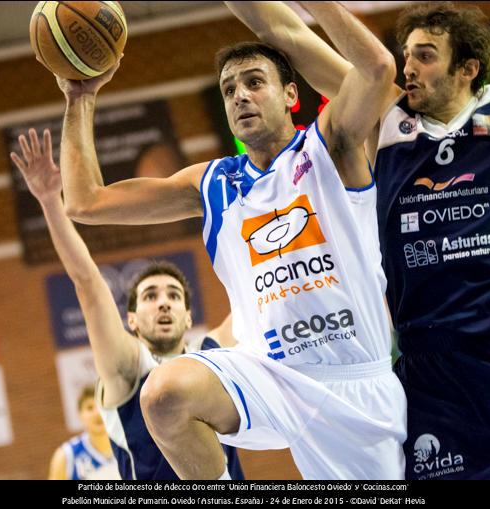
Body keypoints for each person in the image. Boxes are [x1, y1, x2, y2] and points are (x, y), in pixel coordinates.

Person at [230, 0, 490, 479]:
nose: (408, 67)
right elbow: (285, 31)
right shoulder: (385, 119)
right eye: (405, 55)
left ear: (467, 68)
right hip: (431, 367)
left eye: (425, 55)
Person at [55, 0, 406, 480]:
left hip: (353, 381)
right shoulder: (213, 183)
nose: (239, 95)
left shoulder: (331, 145)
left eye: (254, 83)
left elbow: (379, 69)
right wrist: (80, 97)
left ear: (290, 95)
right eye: (229, 89)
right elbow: (85, 203)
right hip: (271, 377)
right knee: (162, 393)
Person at [10, 129, 244, 480]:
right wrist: (49, 201)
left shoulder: (213, 353)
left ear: (188, 316)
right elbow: (87, 282)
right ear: (132, 320)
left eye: (173, 296)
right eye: (151, 296)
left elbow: (257, 292)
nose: (163, 303)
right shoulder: (128, 368)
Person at [48, 385, 119, 480]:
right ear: (80, 415)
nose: (97, 413)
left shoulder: (128, 446)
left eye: (101, 405)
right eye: (90, 408)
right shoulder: (66, 456)